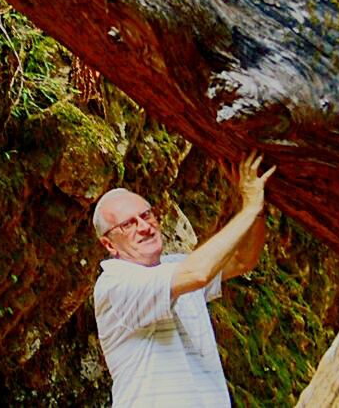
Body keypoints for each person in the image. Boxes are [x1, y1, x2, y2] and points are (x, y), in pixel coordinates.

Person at [92, 152, 276, 407]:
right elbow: (198, 273)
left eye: (146, 216)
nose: (143, 227)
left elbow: (243, 261)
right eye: (128, 225)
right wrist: (250, 207)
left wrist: (256, 209)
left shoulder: (175, 266)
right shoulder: (115, 284)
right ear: (109, 244)